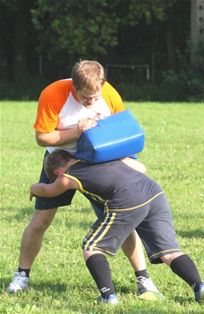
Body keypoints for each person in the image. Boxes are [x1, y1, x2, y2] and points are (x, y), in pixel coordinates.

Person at [7, 60, 159, 300]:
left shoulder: (108, 94)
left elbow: (120, 131)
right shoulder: (53, 94)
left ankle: (143, 278)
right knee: (41, 220)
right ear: (73, 87)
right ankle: (22, 276)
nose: (91, 101)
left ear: (103, 85)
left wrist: (129, 164)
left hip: (100, 163)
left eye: (95, 96)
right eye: (85, 97)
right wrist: (77, 131)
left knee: (120, 219)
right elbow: (42, 138)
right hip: (60, 161)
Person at [30, 149, 204, 304]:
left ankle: (108, 297)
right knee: (169, 252)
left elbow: (47, 190)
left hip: (128, 200)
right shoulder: (102, 157)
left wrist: (33, 188)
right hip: (154, 193)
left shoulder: (67, 176)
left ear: (58, 172)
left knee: (92, 247)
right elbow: (141, 168)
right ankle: (200, 286)